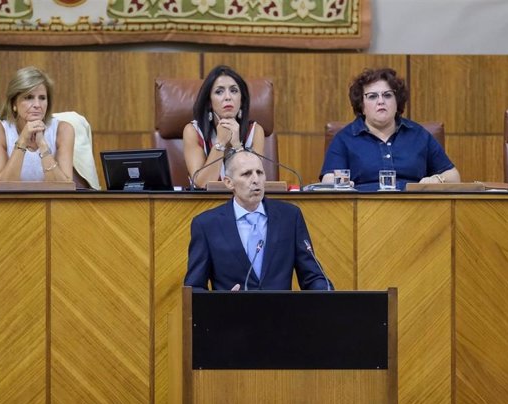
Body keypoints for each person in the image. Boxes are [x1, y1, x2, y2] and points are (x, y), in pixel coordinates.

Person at [184, 149, 332, 291]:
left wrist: (326, 292)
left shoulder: (289, 217)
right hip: (231, 315)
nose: (256, 180)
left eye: (260, 173)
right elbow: (194, 288)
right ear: (229, 183)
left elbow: (312, 276)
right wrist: (221, 303)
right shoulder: (207, 225)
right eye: (246, 174)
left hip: (282, 314)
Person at [320, 67, 459, 191]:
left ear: (397, 102)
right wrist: (342, 186)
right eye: (372, 96)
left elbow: (453, 176)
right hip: (362, 211)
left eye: (387, 95)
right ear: (362, 106)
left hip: (415, 210)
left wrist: (436, 180)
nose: (381, 101)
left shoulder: (419, 134)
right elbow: (328, 179)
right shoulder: (345, 138)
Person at [0, 66, 74, 185]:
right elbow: (0, 185)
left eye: (42, 98)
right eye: (29, 97)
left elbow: (65, 187)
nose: (37, 105)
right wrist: (22, 141)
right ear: (14, 103)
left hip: (52, 202)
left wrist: (43, 145)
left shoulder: (64, 130)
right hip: (11, 202)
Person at [183, 65, 265, 189]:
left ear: (242, 100)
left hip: (244, 205)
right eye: (219, 92)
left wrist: (237, 146)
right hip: (205, 205)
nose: (228, 97)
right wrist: (220, 143)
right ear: (209, 102)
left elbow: (254, 182)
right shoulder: (193, 131)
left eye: (234, 91)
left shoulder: (255, 131)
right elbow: (202, 184)